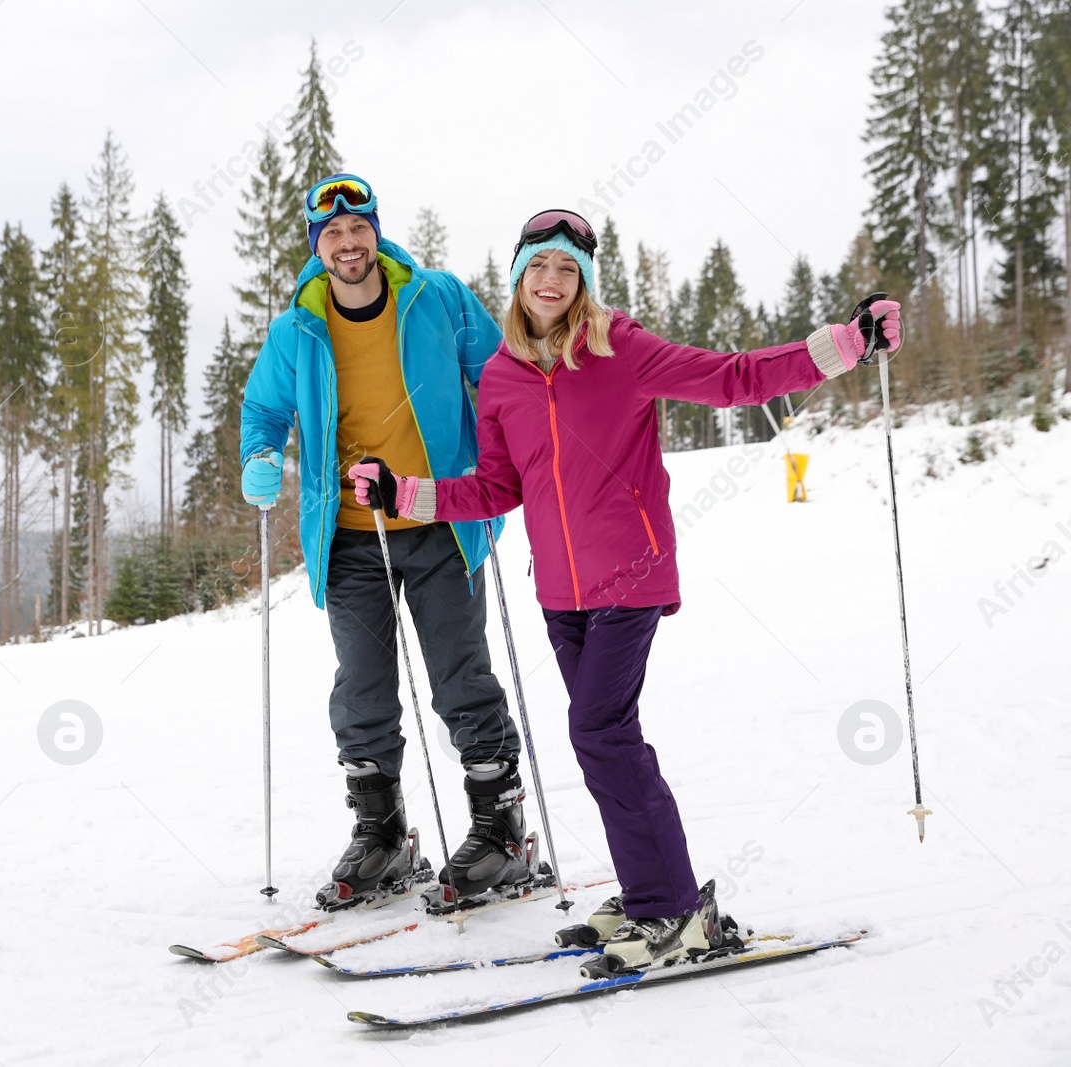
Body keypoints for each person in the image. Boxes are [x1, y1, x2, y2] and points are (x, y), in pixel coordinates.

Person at [350, 207, 900, 970]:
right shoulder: (504, 376)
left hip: (631, 577)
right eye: (538, 267)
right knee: (607, 743)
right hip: (563, 595)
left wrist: (844, 344)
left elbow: (733, 378)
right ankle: (649, 893)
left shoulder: (623, 351)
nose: (551, 281)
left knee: (599, 733)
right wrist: (404, 495)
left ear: (584, 285)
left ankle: (673, 911)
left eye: (566, 270)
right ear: (518, 280)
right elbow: (496, 485)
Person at [239, 174, 540, 910]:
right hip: (348, 536)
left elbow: (499, 376)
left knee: (460, 677)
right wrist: (260, 455)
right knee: (362, 689)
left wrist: (513, 452)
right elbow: (264, 407)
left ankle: (502, 831)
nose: (347, 243)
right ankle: (383, 834)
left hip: (442, 521)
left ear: (376, 230)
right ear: (319, 245)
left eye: (358, 228)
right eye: (332, 233)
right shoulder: (298, 329)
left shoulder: (435, 298)